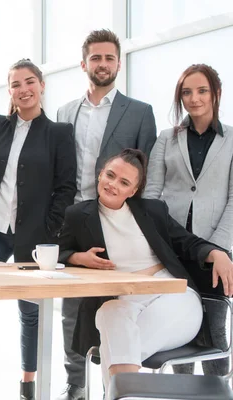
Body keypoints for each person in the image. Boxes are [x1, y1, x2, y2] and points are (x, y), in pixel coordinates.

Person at [57, 148, 233, 400]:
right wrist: (78, 258)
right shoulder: (78, 215)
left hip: (175, 296)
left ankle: (116, 394)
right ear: (100, 175)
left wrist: (217, 253)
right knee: (109, 312)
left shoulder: (152, 211)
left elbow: (188, 243)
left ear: (133, 191)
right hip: (124, 299)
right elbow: (58, 251)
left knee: (116, 344)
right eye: (110, 175)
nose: (113, 184)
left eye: (124, 182)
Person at [0, 59, 77, 400]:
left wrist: (50, 232)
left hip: (35, 237)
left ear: (41, 85)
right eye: (15, 84)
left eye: (29, 82)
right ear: (9, 90)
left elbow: (65, 187)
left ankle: (28, 383)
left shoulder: (59, 133)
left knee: (31, 308)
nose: (23, 89)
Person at [55, 29, 157, 400]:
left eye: (109, 58)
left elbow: (147, 177)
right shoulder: (65, 112)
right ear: (84, 64)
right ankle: (74, 383)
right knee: (71, 308)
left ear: (118, 63)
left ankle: (114, 385)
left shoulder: (141, 112)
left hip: (118, 220)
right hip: (75, 218)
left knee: (117, 303)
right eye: (96, 58)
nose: (103, 64)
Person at [146, 64, 233, 376]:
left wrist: (218, 249)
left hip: (215, 253)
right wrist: (160, 242)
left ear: (216, 93)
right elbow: (153, 195)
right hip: (173, 250)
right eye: (186, 92)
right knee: (180, 336)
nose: (194, 98)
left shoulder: (232, 140)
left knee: (215, 338)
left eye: (202, 90)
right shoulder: (166, 138)